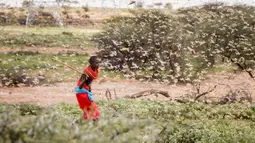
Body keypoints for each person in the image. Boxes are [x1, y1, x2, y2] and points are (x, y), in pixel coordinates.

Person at [74, 56, 101, 125]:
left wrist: (90, 91)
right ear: (91, 63)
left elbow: (89, 84)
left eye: (99, 63)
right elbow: (80, 87)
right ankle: (95, 126)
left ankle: (76, 123)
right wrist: (84, 78)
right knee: (93, 109)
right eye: (96, 63)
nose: (98, 64)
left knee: (90, 111)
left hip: (86, 92)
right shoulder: (86, 72)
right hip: (82, 93)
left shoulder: (95, 70)